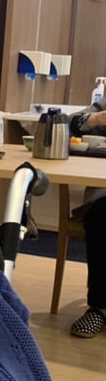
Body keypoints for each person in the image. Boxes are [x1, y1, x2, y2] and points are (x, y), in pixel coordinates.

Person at [68, 98, 106, 337]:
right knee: (102, 216)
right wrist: (96, 119)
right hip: (103, 191)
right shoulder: (103, 105)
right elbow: (70, 123)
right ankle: (99, 308)